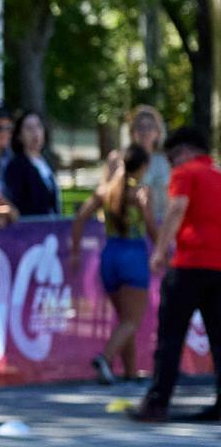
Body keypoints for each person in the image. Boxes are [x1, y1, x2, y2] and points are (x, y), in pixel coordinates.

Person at [133, 125, 221, 422]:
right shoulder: (218, 175)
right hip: (218, 268)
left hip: (188, 265)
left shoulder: (185, 173)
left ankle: (157, 402)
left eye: (172, 158)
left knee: (170, 336)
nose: (171, 164)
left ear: (183, 151)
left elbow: (176, 209)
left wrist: (159, 251)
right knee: (219, 338)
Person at [69, 145, 156, 383]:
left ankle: (130, 371)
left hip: (109, 256)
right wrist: (161, 251)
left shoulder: (106, 190)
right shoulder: (139, 192)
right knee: (132, 320)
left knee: (125, 317)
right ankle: (105, 358)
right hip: (133, 255)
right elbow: (149, 225)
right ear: (143, 166)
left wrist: (75, 251)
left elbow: (79, 218)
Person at [0, 109, 60, 216]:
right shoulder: (16, 166)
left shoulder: (46, 162)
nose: (35, 132)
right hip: (31, 229)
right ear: (19, 136)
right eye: (29, 128)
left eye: (38, 126)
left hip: (51, 227)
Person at [128, 104, 173, 215]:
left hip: (163, 222)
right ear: (132, 132)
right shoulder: (121, 158)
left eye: (150, 127)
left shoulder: (168, 160)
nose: (145, 132)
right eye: (140, 127)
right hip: (135, 223)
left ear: (158, 132)